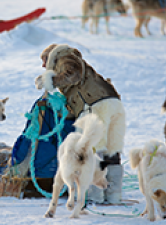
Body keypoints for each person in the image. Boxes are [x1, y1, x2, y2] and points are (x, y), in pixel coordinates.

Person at [34, 43, 127, 204]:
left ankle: (95, 196)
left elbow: (73, 74)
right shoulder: (73, 59)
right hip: (110, 101)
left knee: (92, 149)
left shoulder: (64, 57)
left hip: (95, 105)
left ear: (51, 56)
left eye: (44, 60)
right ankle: (113, 195)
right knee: (111, 149)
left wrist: (52, 80)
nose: (43, 65)